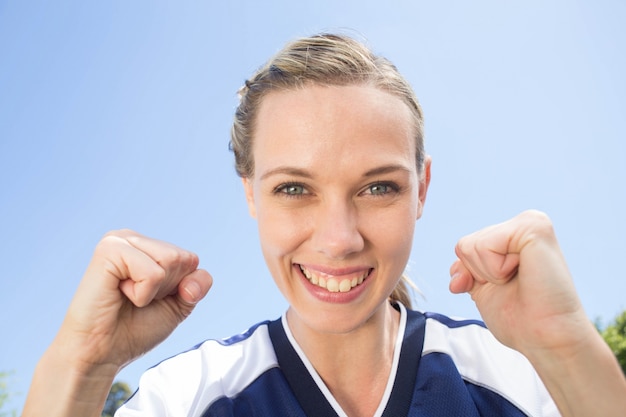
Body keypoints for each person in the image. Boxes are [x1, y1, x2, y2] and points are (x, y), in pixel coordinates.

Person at [23, 33, 626, 417]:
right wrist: (80, 365)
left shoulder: (521, 382)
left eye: (377, 187)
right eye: (293, 189)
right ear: (251, 196)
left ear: (422, 190)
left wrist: (567, 347)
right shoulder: (186, 399)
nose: (339, 239)